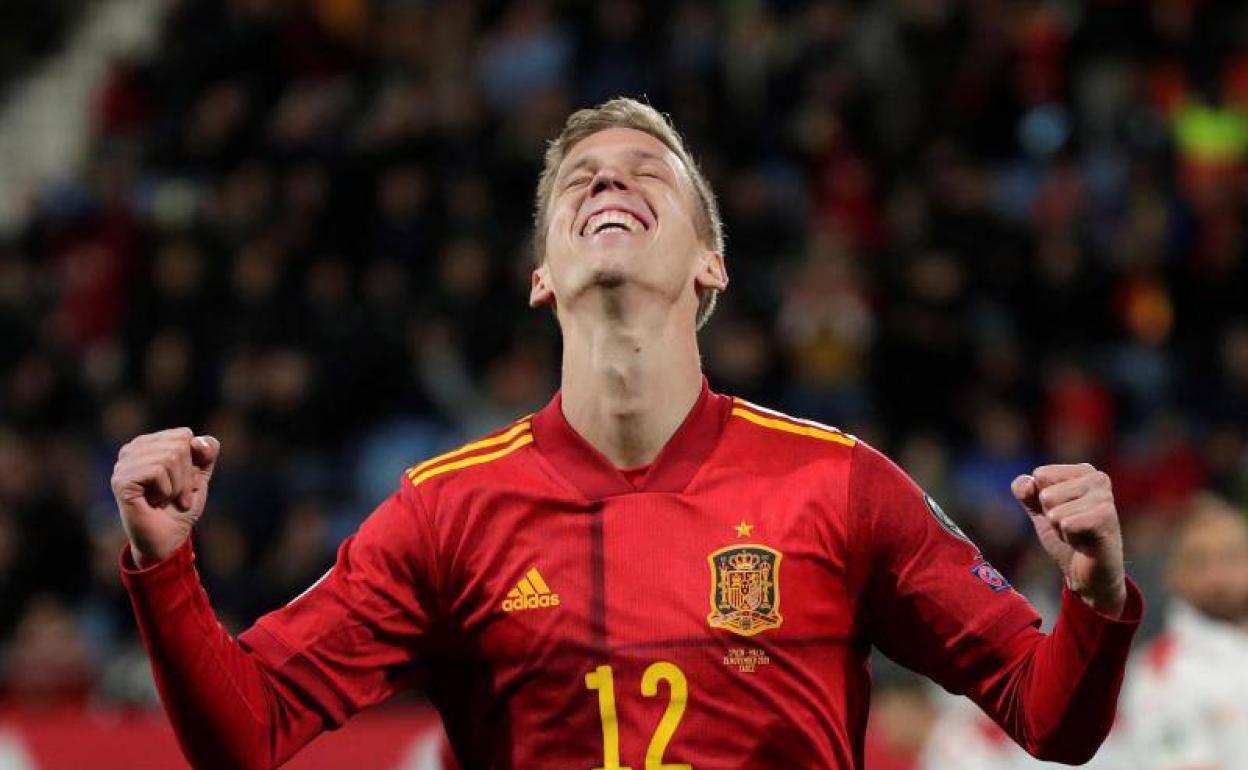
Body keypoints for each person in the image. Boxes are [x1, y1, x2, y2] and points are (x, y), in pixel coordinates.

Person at [112, 98, 1142, 770]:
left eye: (650, 171)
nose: (610, 181)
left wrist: (1094, 597)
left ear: (712, 265)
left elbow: (1051, 717)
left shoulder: (842, 483)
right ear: (541, 275)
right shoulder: (444, 509)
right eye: (580, 178)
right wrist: (165, 570)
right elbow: (248, 729)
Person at [1105, 494, 1248, 770]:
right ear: (1173, 574)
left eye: (1232, 556)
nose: (1219, 574)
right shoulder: (1162, 673)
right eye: (1200, 561)